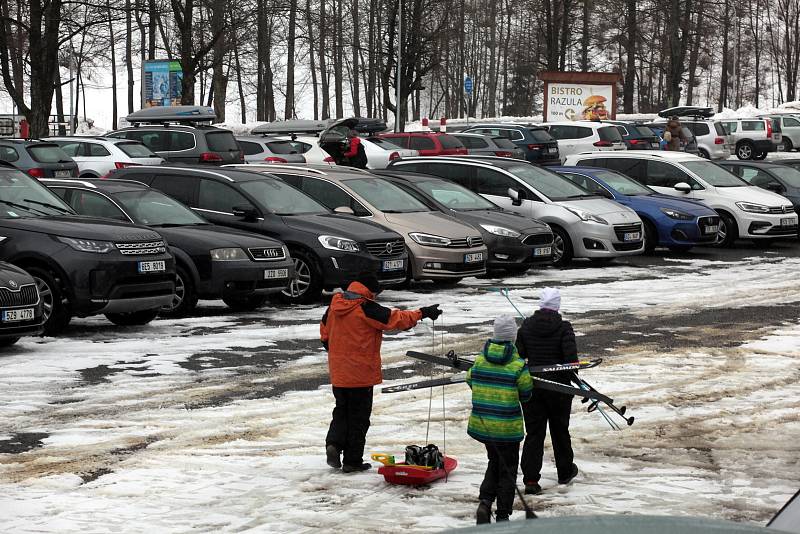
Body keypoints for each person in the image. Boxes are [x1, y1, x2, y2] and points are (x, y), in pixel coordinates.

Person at [320, 273, 442, 473]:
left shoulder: (334, 306)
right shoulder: (365, 307)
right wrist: (423, 312)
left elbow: (324, 333)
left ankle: (333, 443)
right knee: (359, 418)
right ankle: (352, 461)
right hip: (360, 375)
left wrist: (336, 353)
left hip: (339, 373)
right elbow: (397, 319)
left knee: (342, 411)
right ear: (369, 290)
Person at [466, 315, 533, 524]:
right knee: (508, 469)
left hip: (484, 425)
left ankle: (485, 502)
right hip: (507, 428)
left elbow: (470, 379)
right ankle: (503, 514)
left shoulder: (479, 360)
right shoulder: (517, 365)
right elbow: (526, 393)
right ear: (512, 338)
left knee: (495, 461)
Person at [515, 287, 579, 495]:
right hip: (559, 389)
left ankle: (531, 479)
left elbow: (519, 356)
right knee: (560, 431)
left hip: (533, 388)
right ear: (557, 306)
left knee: (534, 433)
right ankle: (565, 471)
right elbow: (571, 362)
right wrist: (572, 376)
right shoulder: (564, 328)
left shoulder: (526, 326)